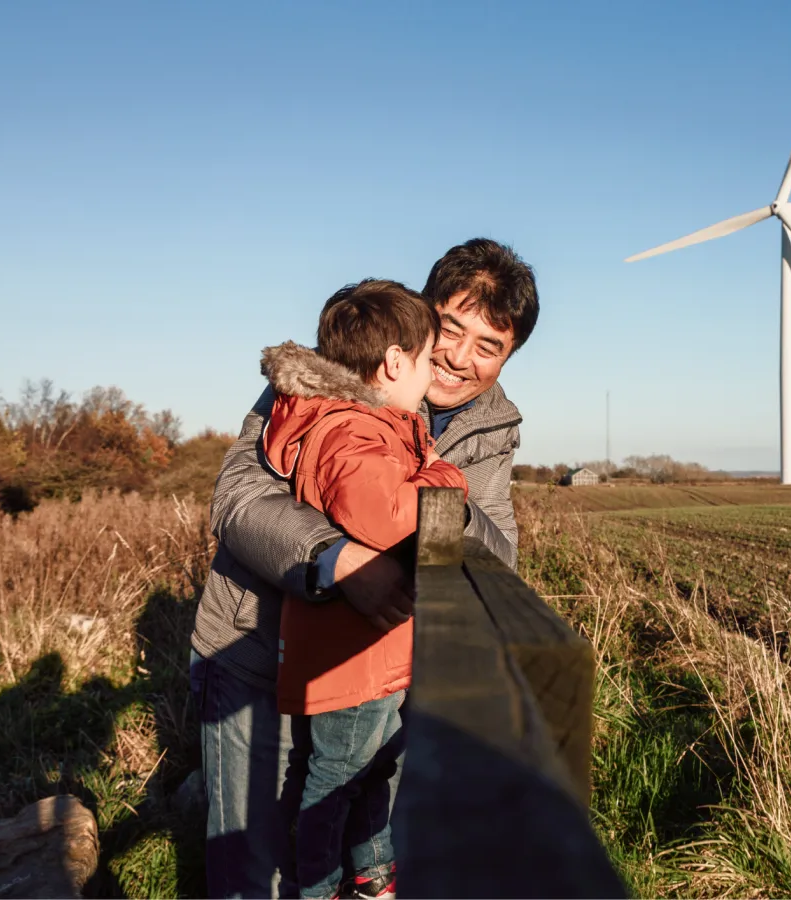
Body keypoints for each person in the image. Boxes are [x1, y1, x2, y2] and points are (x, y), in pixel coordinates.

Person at [189, 238, 539, 898]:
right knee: (254, 871)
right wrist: (339, 561)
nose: (459, 358)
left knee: (352, 835)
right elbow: (237, 500)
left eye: (488, 346)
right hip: (254, 658)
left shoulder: (493, 427)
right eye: (452, 328)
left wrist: (443, 510)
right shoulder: (326, 371)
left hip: (378, 675)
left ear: (509, 356)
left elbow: (496, 557)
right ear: (426, 312)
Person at [260, 279, 468, 899]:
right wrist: (443, 474)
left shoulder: (360, 424)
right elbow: (394, 517)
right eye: (431, 357)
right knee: (335, 780)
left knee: (370, 769)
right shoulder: (354, 430)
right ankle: (318, 888)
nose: (437, 371)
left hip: (366, 653)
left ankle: (373, 877)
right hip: (349, 658)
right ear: (396, 362)